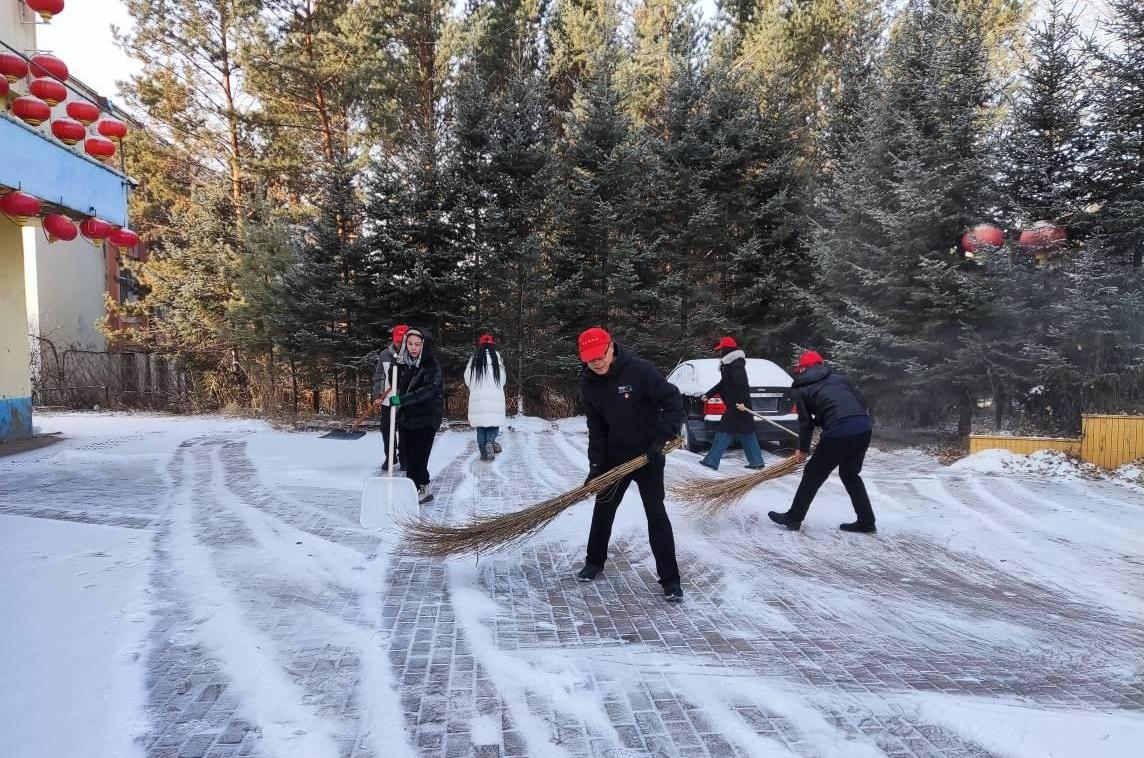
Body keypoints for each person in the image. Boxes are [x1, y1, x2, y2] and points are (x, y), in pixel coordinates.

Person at [575, 327, 686, 602]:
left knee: (656, 513)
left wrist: (659, 442)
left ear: (611, 347)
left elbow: (673, 401)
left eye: (600, 357)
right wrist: (596, 465)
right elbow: (597, 428)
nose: (596, 363)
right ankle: (594, 562)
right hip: (615, 457)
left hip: (649, 455)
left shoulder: (641, 371)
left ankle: (670, 580)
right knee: (603, 509)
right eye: (590, 360)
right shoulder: (588, 382)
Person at [768, 351, 876, 533]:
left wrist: (803, 450)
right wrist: (826, 418)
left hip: (839, 431)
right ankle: (867, 521)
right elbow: (862, 403)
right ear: (821, 365)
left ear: (803, 369)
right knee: (850, 474)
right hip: (863, 427)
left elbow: (805, 423)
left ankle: (793, 518)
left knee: (813, 473)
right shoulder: (840, 378)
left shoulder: (801, 388)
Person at [392, 327, 444, 504]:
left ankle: (417, 491)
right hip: (407, 418)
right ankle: (421, 485)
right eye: (410, 344)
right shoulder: (404, 364)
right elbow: (398, 385)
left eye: (417, 344)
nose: (413, 348)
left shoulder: (432, 365)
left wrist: (402, 400)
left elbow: (429, 390)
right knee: (408, 458)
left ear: (424, 345)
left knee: (418, 458)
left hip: (426, 418)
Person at [699, 336, 766, 471]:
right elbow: (723, 384)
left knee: (723, 430)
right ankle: (756, 461)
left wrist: (742, 403)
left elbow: (742, 385)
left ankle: (711, 461)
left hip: (738, 405)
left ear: (726, 349)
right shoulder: (729, 365)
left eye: (721, 349)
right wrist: (708, 394)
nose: (720, 352)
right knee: (746, 432)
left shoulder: (736, 365)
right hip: (738, 405)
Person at [372, 324, 409, 469]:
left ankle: (404, 458)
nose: (398, 343)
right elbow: (380, 376)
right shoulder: (384, 355)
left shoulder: (412, 355)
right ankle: (390, 457)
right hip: (389, 399)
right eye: (397, 340)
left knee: (405, 429)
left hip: (406, 399)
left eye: (402, 340)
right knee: (386, 428)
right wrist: (378, 394)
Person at [465, 333, 507, 461]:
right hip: (495, 397)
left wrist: (474, 388)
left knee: (481, 425)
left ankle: (483, 450)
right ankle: (490, 442)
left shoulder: (474, 358)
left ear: (480, 345)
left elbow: (467, 378)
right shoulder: (497, 357)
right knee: (493, 423)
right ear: (492, 345)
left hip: (478, 398)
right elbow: (503, 379)